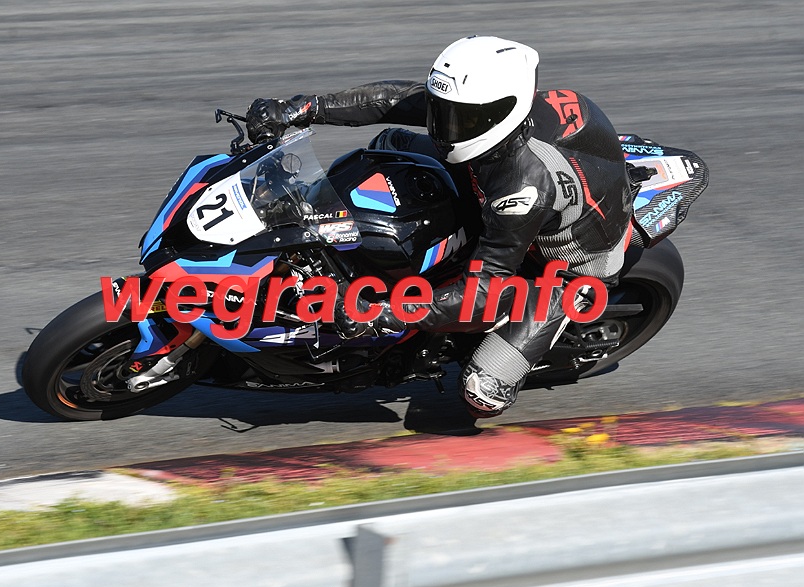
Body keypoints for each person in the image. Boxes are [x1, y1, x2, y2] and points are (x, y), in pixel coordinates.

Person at [245, 36, 632, 418]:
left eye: (459, 119)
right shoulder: (481, 109)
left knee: (481, 393)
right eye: (441, 111)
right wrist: (302, 108)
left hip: (563, 269)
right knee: (391, 144)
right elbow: (392, 100)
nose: (444, 126)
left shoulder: (524, 187)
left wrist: (380, 314)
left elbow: (481, 293)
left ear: (502, 114)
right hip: (499, 184)